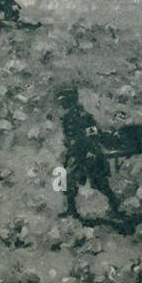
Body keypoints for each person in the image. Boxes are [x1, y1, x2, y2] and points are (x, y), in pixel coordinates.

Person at [57, 86, 119, 217]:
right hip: (76, 152)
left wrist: (80, 141)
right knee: (67, 179)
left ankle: (115, 206)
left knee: (99, 182)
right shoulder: (68, 116)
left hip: (88, 152)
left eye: (63, 100)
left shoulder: (83, 115)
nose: (60, 103)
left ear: (70, 100)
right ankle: (71, 209)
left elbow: (93, 133)